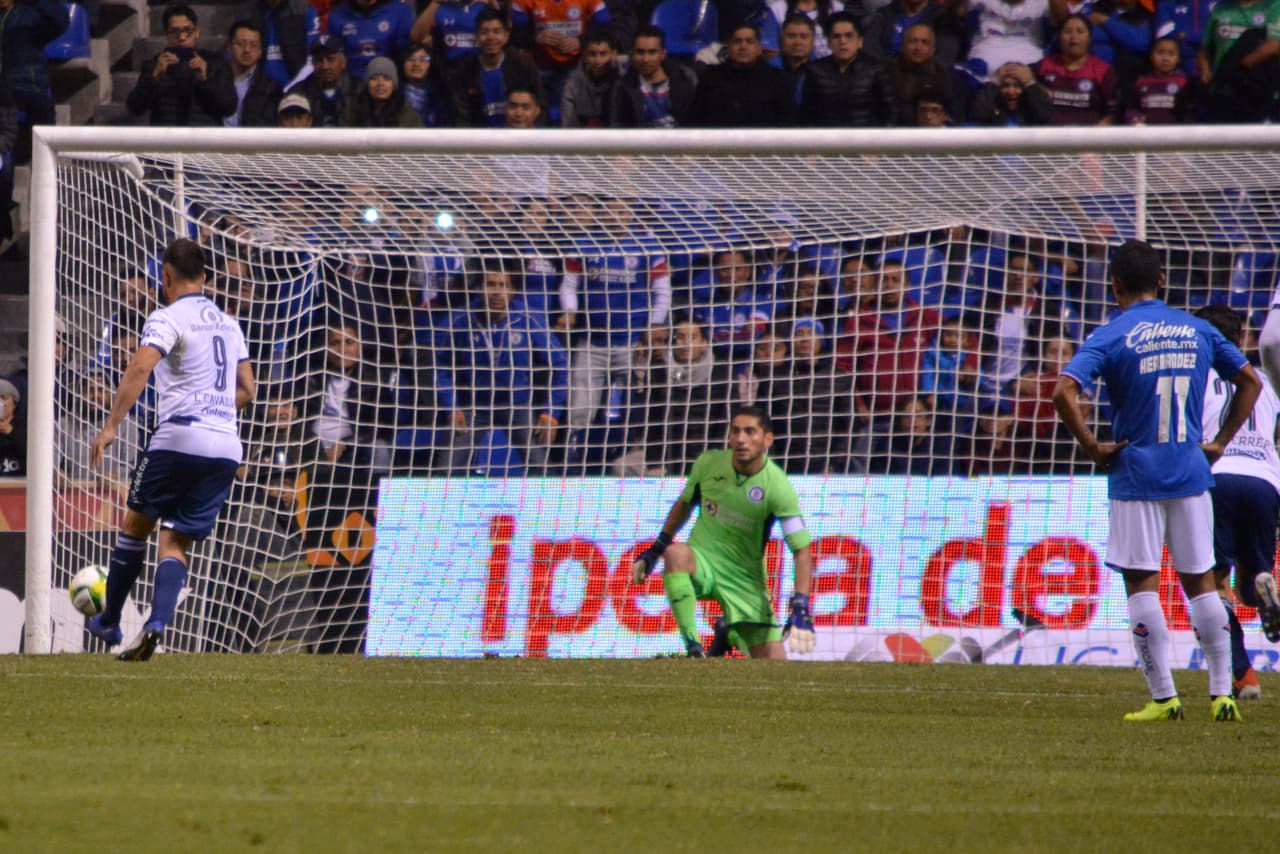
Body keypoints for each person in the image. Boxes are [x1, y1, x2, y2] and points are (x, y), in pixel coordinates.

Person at [1052, 239, 1262, 722]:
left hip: (1136, 472)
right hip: (1191, 472)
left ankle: (1165, 698)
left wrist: (1093, 447)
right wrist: (1220, 441)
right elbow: (1250, 381)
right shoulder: (1197, 328)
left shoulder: (1111, 334)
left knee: (1142, 583)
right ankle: (1222, 694)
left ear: (1115, 286)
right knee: (1203, 584)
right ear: (1162, 281)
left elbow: (1063, 392)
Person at [86, 238, 257, 661]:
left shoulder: (167, 317)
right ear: (206, 277)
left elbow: (141, 366)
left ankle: (109, 621)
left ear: (165, 277)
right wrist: (214, 409)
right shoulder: (230, 324)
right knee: (176, 539)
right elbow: (248, 390)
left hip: (179, 437)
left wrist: (111, 426)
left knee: (135, 526)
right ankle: (156, 624)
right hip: (225, 446)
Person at [630, 405, 815, 660]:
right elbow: (685, 504)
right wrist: (657, 548)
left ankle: (729, 634)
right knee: (676, 554)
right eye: (735, 431)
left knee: (775, 667)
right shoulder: (709, 464)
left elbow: (801, 550)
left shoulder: (778, 487)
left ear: (768, 439)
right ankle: (694, 648)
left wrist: (801, 604)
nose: (740, 439)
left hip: (744, 579)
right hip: (703, 563)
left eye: (750, 432)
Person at [1194, 305, 1280, 700]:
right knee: (1251, 578)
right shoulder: (1265, 381)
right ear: (1242, 336)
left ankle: (1242, 674)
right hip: (1265, 481)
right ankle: (1265, 588)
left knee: (1213, 582)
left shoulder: (1198, 379)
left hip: (1217, 476)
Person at [127, 5, 239, 126]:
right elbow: (135, 109)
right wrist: (154, 77)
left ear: (197, 32)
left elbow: (229, 108)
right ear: (166, 35)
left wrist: (205, 80)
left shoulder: (216, 63)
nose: (182, 37)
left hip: (204, 135)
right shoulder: (154, 65)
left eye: (187, 30)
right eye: (175, 31)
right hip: (167, 135)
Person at [449, 8, 545, 127]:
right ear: (476, 36)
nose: (491, 37)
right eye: (484, 32)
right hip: (481, 135)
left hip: (519, 133)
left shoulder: (523, 64)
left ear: (506, 36)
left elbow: (541, 105)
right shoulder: (464, 70)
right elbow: (462, 115)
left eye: (496, 31)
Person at [691, 23, 797, 126]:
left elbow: (787, 123)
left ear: (759, 49)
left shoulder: (777, 80)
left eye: (749, 42)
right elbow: (695, 120)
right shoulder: (711, 77)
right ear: (729, 47)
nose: (743, 46)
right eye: (737, 41)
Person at [800, 12, 889, 127]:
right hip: (826, 136)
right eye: (836, 36)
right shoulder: (815, 71)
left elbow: (890, 112)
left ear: (860, 41)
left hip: (866, 136)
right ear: (828, 43)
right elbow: (807, 115)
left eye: (849, 36)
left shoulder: (876, 70)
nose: (842, 41)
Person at [1033, 14, 1119, 125]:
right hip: (1048, 132)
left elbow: (1111, 113)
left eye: (1080, 32)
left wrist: (1097, 133)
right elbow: (1028, 85)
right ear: (1059, 37)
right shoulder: (1044, 65)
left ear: (1089, 38)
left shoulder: (1103, 71)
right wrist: (1038, 88)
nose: (1073, 37)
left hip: (1089, 134)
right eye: (1067, 32)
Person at [607, 24, 698, 127]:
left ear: (663, 54)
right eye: (640, 52)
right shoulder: (622, 87)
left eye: (652, 52)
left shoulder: (684, 81)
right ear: (632, 54)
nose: (646, 59)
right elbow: (617, 126)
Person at [234, 0, 321, 88]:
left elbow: (313, 59)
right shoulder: (246, 13)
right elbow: (234, 56)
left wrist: (293, 88)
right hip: (256, 89)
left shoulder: (304, 10)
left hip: (296, 88)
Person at [326, 0, 415, 80]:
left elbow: (405, 54)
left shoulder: (400, 11)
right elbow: (334, 57)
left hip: (388, 83)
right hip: (349, 84)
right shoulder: (337, 15)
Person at [224, 21, 284, 127]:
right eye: (241, 44)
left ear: (260, 51)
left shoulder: (271, 89)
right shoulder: (212, 79)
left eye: (253, 45)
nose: (247, 50)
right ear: (229, 46)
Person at [290, 34, 356, 127]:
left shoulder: (358, 90)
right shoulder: (299, 93)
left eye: (330, 59)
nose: (325, 66)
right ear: (313, 63)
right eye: (319, 60)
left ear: (343, 62)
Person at [560, 28, 620, 126]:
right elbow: (569, 127)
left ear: (614, 54)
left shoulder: (623, 81)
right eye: (592, 54)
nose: (597, 60)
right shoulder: (572, 84)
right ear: (584, 55)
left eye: (603, 54)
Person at [341, 55, 424, 126]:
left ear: (394, 85)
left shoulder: (408, 115)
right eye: (374, 78)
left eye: (386, 78)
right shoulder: (352, 112)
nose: (380, 83)